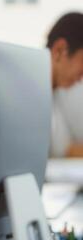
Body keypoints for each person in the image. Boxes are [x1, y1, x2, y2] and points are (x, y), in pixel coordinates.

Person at [47, 12, 83, 157]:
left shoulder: (55, 93)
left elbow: (63, 148)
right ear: (60, 50)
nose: (81, 78)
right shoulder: (25, 94)